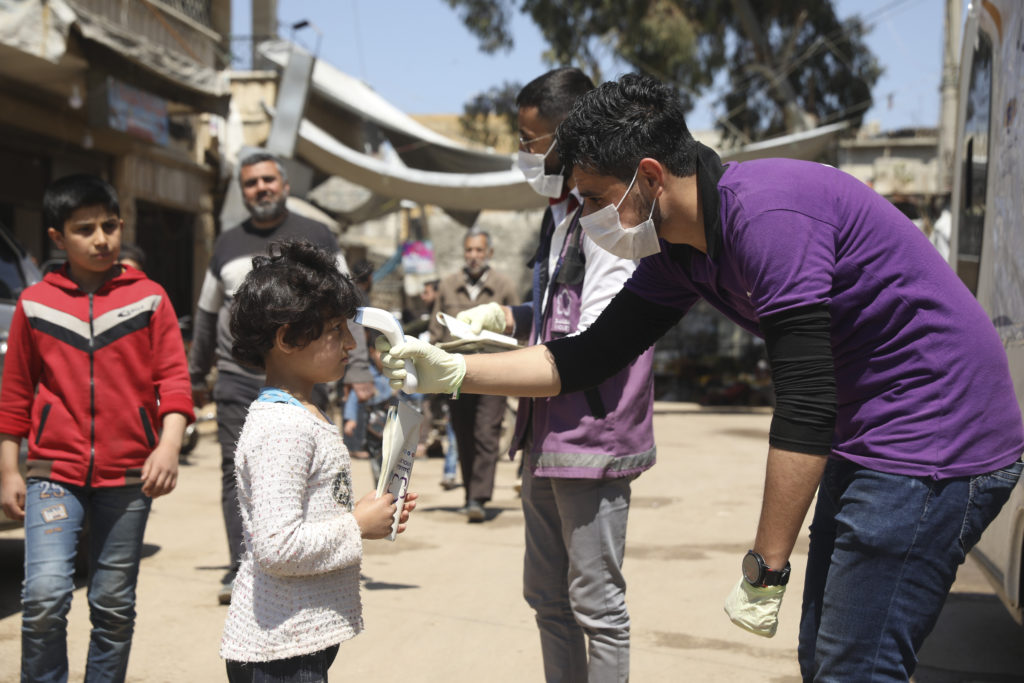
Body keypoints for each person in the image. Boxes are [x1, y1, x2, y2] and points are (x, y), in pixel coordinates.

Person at [379, 73, 1024, 681]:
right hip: (872, 429)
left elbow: (804, 407)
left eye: (599, 198)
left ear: (650, 177)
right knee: (826, 654)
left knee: (858, 665)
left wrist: (766, 566)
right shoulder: (681, 254)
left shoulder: (770, 219)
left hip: (937, 433)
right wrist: (458, 372)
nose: (593, 217)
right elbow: (586, 356)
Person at [457, 67, 656, 682]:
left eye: (530, 139)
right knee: (547, 598)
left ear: (569, 137)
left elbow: (596, 342)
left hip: (591, 436)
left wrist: (464, 373)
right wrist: (509, 315)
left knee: (597, 606)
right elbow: (558, 311)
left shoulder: (611, 217)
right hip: (544, 433)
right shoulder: (564, 215)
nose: (523, 154)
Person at [0, 174, 193, 682]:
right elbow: (15, 394)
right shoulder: (35, 303)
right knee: (43, 597)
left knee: (112, 604)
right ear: (58, 238)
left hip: (129, 478)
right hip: (52, 473)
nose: (101, 238)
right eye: (85, 229)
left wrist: (168, 446)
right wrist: (8, 470)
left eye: (109, 225)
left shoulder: (150, 299)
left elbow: (174, 380)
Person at [220, 239, 417, 682]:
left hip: (298, 642)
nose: (351, 343)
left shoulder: (302, 412)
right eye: (335, 330)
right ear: (287, 337)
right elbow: (278, 547)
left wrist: (368, 510)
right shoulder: (283, 428)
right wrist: (357, 526)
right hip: (280, 653)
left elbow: (306, 512)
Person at [189, 151, 359, 605]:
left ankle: (304, 554)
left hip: (301, 379)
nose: (260, 188)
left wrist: (356, 366)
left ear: (285, 185)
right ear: (242, 191)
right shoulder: (224, 245)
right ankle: (241, 564)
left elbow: (348, 307)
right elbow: (207, 315)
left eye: (268, 180)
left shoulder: (318, 236)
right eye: (250, 183)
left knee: (301, 472)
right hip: (235, 377)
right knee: (235, 474)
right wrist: (194, 377)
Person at [428, 228, 519, 521]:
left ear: (489, 253)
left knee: (486, 433)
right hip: (456, 373)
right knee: (463, 432)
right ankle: (469, 493)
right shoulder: (448, 285)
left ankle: (479, 497)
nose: (474, 256)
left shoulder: (504, 286)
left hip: (494, 373)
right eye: (469, 250)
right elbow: (436, 328)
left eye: (479, 250)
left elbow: (517, 326)